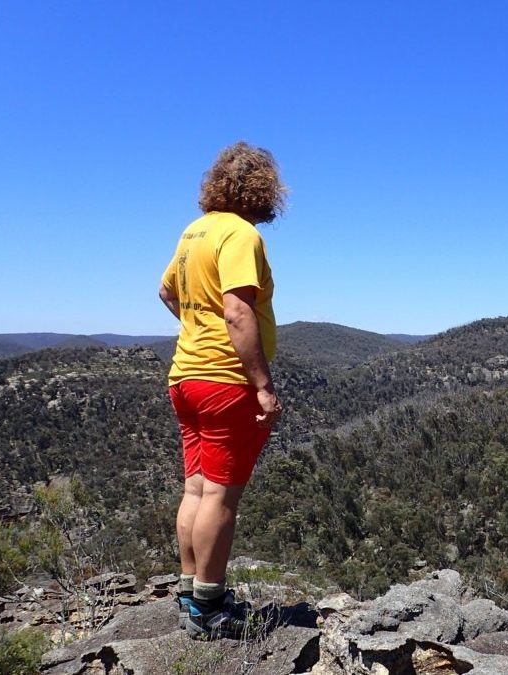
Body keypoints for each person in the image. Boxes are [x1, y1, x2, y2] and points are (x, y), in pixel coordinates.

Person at [158, 141, 286, 639]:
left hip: (185, 377)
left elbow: (168, 290)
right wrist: (263, 385)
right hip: (225, 381)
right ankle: (209, 608)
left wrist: (197, 325)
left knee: (196, 488)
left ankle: (191, 590)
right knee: (222, 497)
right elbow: (238, 310)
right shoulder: (239, 234)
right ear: (262, 188)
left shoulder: (195, 231)